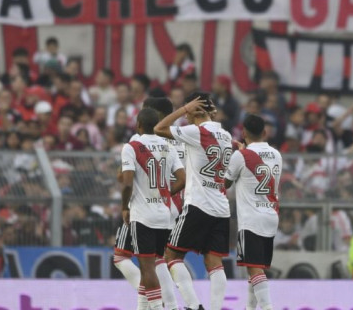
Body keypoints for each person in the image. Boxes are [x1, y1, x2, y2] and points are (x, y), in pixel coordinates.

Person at [154, 92, 234, 310]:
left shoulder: (196, 132)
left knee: (171, 255)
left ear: (195, 110)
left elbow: (158, 129)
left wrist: (182, 109)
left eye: (188, 110)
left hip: (198, 204)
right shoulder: (225, 135)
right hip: (221, 207)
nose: (185, 116)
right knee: (214, 263)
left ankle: (193, 305)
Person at [114, 98, 183, 310]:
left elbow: (125, 183)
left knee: (146, 266)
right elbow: (182, 178)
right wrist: (165, 195)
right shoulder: (170, 144)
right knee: (156, 262)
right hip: (165, 212)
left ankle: (160, 306)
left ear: (139, 124)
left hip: (141, 213)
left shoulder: (133, 144)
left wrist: (125, 207)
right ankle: (154, 306)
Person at [225, 114, 282, 310]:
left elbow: (225, 183)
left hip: (251, 219)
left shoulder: (240, 156)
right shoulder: (276, 155)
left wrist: (240, 154)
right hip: (271, 216)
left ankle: (267, 307)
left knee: (254, 269)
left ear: (243, 133)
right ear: (265, 132)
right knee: (255, 270)